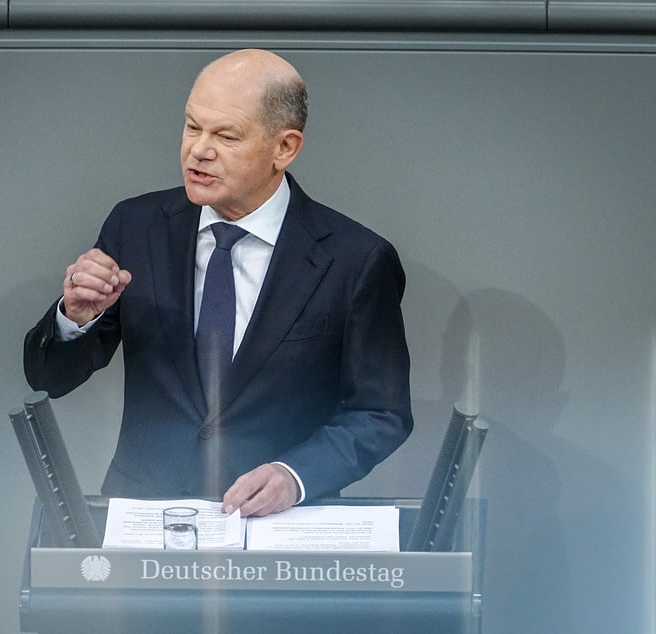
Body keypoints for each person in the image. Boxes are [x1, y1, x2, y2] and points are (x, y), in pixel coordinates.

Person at [24, 49, 412, 518]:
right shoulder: (137, 226)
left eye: (226, 135)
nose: (198, 150)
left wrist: (296, 476)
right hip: (147, 517)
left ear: (284, 148)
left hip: (278, 528)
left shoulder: (356, 260)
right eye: (192, 127)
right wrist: (76, 319)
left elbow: (381, 413)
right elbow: (50, 377)